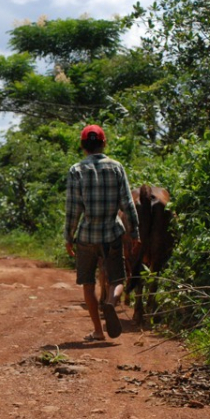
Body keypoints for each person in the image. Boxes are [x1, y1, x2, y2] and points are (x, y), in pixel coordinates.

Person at [64, 125, 140, 341]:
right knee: (118, 279)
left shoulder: (76, 170)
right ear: (104, 143)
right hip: (112, 233)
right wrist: (135, 232)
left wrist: (68, 237)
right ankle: (111, 302)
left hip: (87, 235)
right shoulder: (117, 168)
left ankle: (98, 331)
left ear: (82, 146)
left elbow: (72, 209)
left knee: (88, 282)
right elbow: (127, 203)